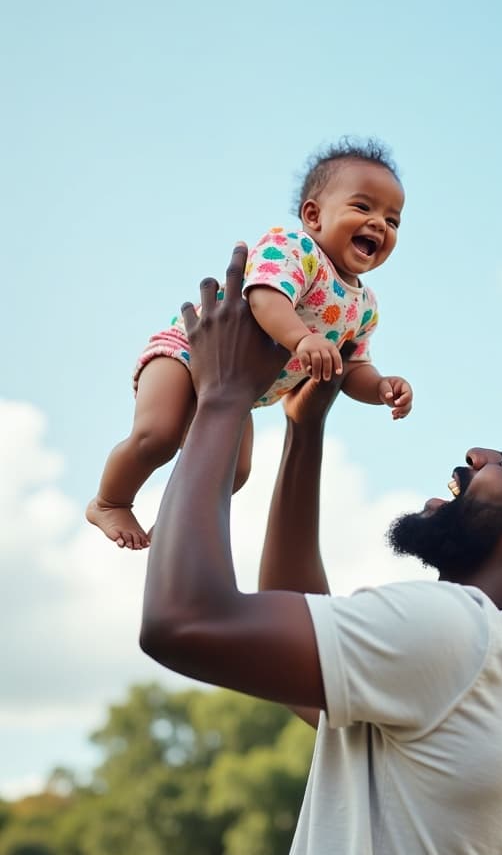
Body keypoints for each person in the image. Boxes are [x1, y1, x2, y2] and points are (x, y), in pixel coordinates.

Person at [139, 243, 502, 855]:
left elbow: (181, 622)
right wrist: (305, 429)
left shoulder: (464, 635)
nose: (478, 454)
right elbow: (304, 622)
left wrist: (225, 395)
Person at [87, 138, 412, 551]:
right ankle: (109, 501)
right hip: (188, 354)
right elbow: (264, 296)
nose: (380, 224)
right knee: (158, 435)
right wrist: (302, 337)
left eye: (393, 220)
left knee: (235, 472)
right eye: (363, 208)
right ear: (313, 215)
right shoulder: (296, 248)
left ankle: (172, 521)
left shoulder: (364, 306)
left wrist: (381, 387)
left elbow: (351, 367)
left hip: (240, 390)